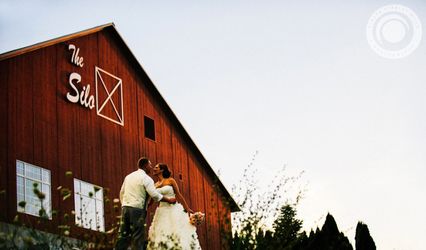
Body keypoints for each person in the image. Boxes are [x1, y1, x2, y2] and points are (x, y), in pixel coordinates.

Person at [115, 157, 177, 250]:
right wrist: (168, 200)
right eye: (150, 165)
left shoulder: (128, 176)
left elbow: (122, 192)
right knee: (138, 236)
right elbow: (154, 195)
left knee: (123, 235)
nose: (151, 167)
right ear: (145, 165)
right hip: (138, 210)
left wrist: (124, 205)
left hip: (125, 208)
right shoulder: (146, 179)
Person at [147, 163, 201, 250]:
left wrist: (187, 208)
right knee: (162, 233)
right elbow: (152, 200)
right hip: (161, 211)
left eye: (156, 167)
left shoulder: (170, 181)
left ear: (162, 170)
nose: (154, 169)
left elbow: (178, 195)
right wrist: (144, 207)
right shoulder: (155, 185)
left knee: (177, 232)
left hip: (173, 210)